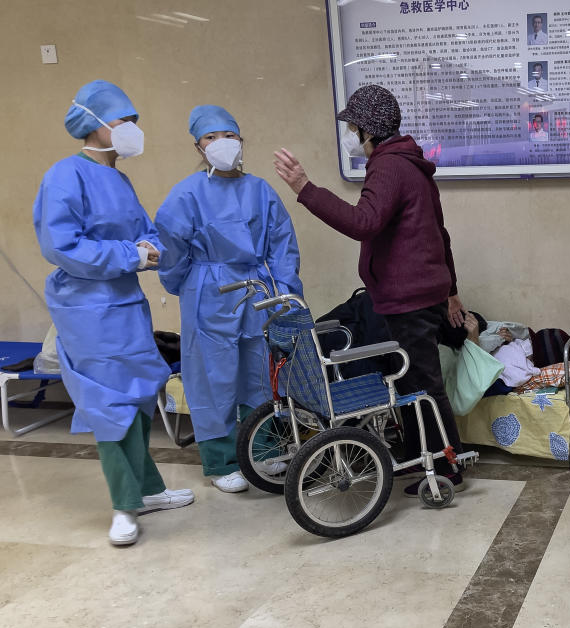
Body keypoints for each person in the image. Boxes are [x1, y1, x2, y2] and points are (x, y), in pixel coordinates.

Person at [273, 84, 467, 495]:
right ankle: (430, 461)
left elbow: (364, 222)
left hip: (409, 300)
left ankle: (446, 468)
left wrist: (306, 189)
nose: (350, 136)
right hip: (420, 294)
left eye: (353, 127)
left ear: (368, 130)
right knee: (416, 384)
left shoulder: (389, 167)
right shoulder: (411, 164)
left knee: (421, 387)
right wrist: (451, 289)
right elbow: (440, 234)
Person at [33, 80, 194, 547]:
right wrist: (131, 255)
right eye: (124, 121)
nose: (132, 130)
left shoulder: (118, 179)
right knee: (110, 405)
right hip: (88, 310)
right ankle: (124, 507)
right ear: (95, 125)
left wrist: (156, 250)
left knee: (141, 394)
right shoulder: (65, 175)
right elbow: (61, 246)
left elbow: (146, 232)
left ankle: (148, 489)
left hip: (125, 307)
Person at [155, 105, 303, 494]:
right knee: (212, 376)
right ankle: (221, 461)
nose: (221, 143)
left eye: (229, 136)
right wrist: (184, 285)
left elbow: (282, 246)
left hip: (258, 290)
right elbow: (171, 248)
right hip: (208, 292)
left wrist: (286, 294)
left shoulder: (260, 190)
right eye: (211, 137)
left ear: (241, 142)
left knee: (261, 371)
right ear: (198, 147)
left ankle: (267, 449)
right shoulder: (187, 193)